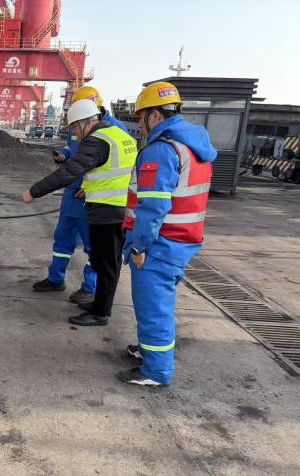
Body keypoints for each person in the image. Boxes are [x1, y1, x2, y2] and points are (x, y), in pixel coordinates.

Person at [118, 82, 216, 387]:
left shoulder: (162, 149)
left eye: (141, 118)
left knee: (153, 308)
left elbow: (153, 206)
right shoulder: (193, 146)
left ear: (156, 115)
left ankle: (156, 371)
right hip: (180, 241)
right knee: (158, 304)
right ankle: (150, 352)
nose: (140, 125)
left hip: (159, 244)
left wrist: (139, 246)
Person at [22, 100, 137, 325]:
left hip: (106, 210)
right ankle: (99, 305)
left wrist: (34, 192)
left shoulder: (97, 140)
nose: (74, 133)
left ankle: (100, 313)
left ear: (86, 122)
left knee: (105, 264)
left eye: (74, 127)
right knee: (106, 263)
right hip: (117, 207)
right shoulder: (120, 136)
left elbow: (69, 171)